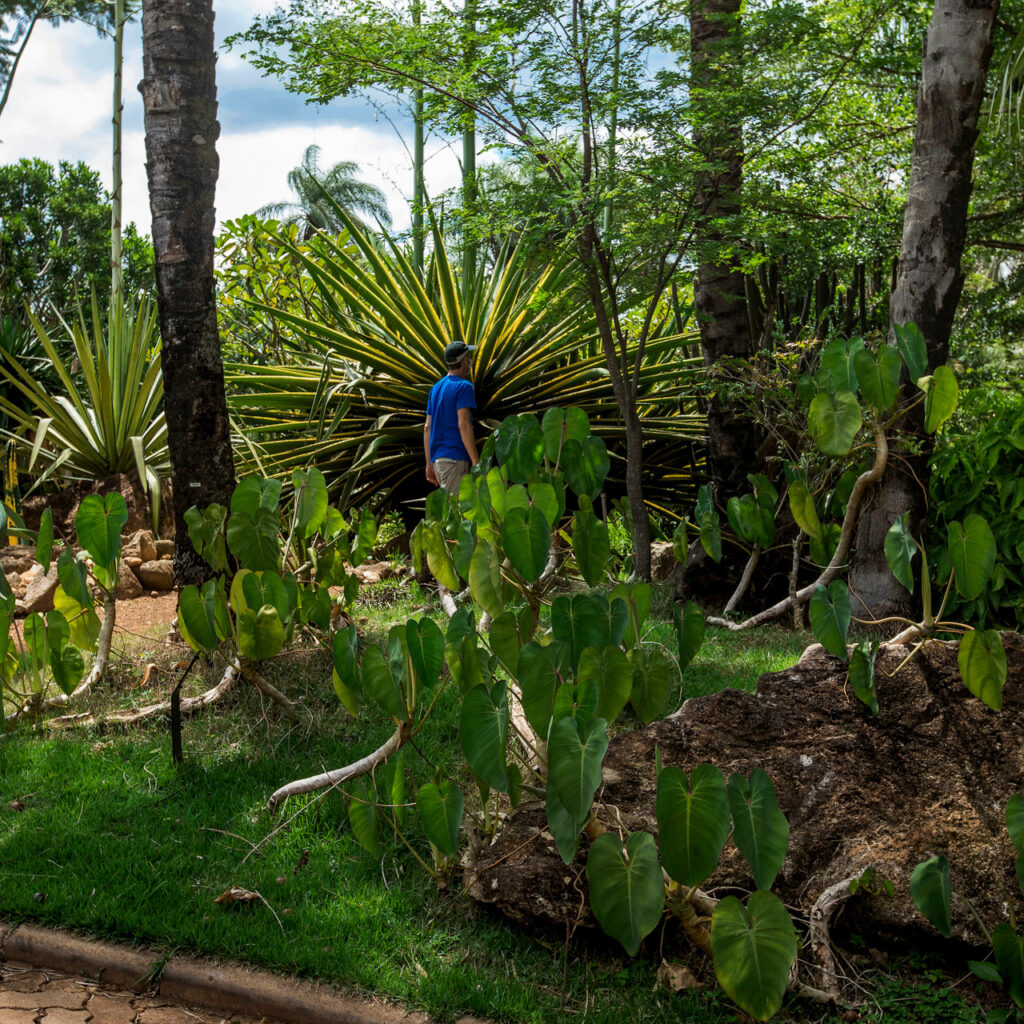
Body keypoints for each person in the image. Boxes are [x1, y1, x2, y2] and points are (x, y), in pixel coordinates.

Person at [424, 341, 480, 494]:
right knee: (457, 512)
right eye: (468, 357)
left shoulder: (435, 389)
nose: (469, 361)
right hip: (454, 458)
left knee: (451, 511)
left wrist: (429, 464)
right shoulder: (464, 387)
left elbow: (427, 428)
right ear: (464, 361)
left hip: (438, 461)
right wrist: (475, 461)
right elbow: (463, 424)